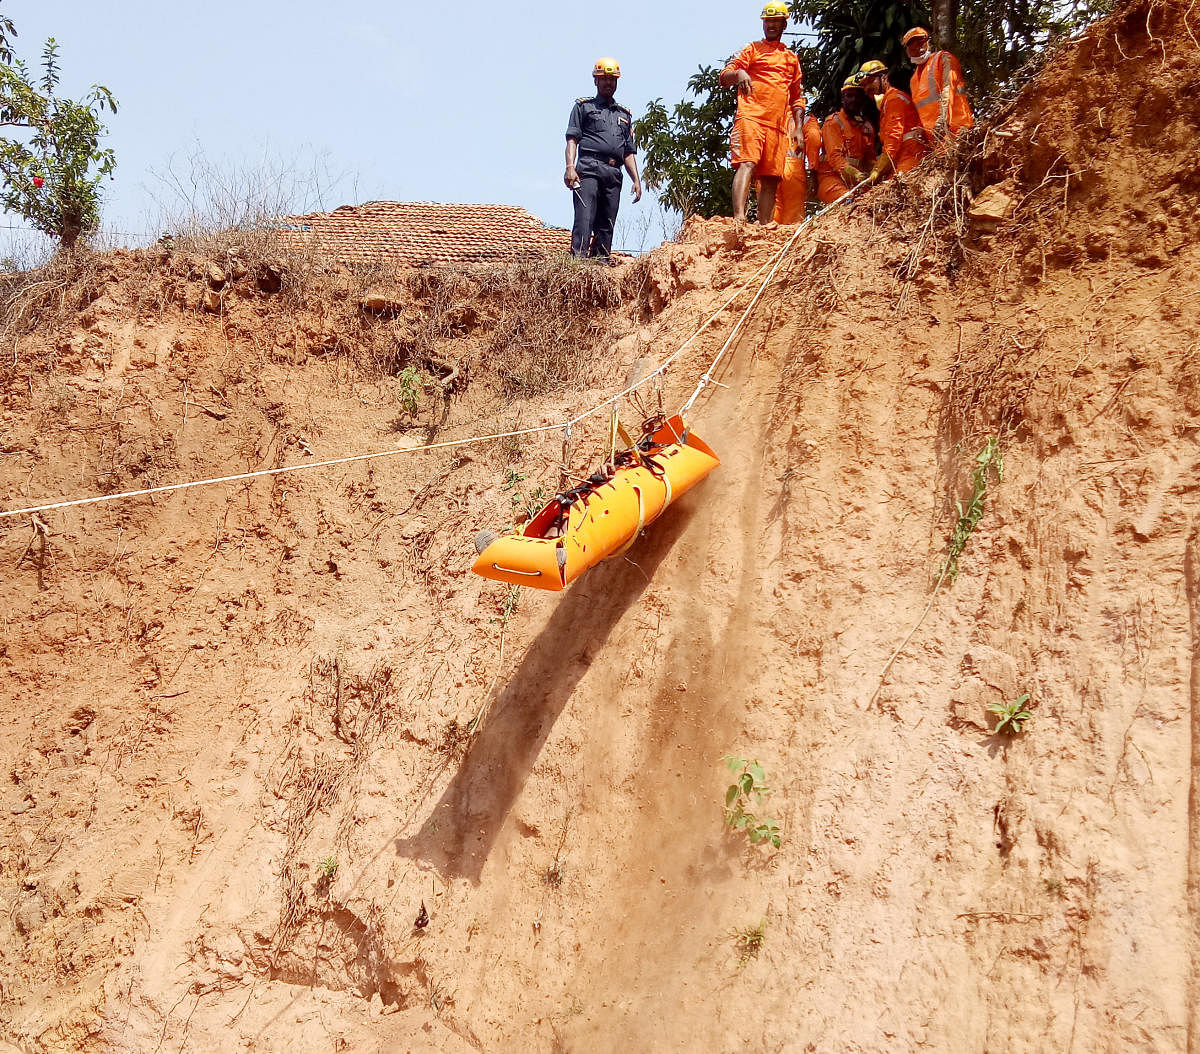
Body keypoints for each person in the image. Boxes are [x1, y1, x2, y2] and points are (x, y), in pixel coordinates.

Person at [719, 1, 806, 224]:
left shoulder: (791, 59)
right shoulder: (752, 49)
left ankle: (764, 226)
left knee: (771, 177)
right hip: (751, 117)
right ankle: (739, 217)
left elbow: (797, 97)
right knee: (746, 163)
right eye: (768, 21)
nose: (771, 25)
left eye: (776, 21)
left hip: (777, 125)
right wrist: (739, 74)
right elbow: (724, 76)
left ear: (784, 25)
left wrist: (798, 128)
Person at [564, 58, 642, 261]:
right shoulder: (583, 107)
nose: (609, 83)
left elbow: (628, 152)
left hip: (614, 174)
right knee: (585, 218)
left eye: (612, 79)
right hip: (589, 167)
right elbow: (572, 140)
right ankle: (578, 264)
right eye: (604, 79)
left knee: (607, 223)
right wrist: (570, 167)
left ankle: (601, 263)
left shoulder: (624, 115)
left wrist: (636, 180)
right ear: (596, 81)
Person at [857, 59, 930, 183]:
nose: (867, 88)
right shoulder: (890, 100)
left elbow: (893, 139)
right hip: (904, 156)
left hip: (911, 156)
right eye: (864, 85)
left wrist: (878, 170)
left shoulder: (893, 100)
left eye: (870, 81)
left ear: (884, 78)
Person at [902, 27, 974, 144]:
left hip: (958, 131)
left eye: (921, 42)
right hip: (937, 140)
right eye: (912, 45)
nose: (918, 47)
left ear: (928, 42)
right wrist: (921, 130)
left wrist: (942, 121)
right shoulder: (913, 80)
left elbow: (948, 89)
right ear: (907, 51)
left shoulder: (943, 58)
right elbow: (922, 110)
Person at [817, 77, 877, 204]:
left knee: (875, 200)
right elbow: (835, 158)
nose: (853, 100)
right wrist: (854, 174)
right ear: (843, 98)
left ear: (863, 99)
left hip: (857, 183)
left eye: (857, 96)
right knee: (850, 203)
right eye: (849, 96)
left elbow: (870, 159)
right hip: (831, 180)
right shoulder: (833, 122)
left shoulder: (867, 127)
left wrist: (878, 170)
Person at [771, 111, 821, 223]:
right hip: (793, 169)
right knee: (792, 220)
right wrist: (813, 171)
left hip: (769, 168)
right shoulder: (806, 120)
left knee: (769, 217)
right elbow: (814, 139)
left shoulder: (767, 115)